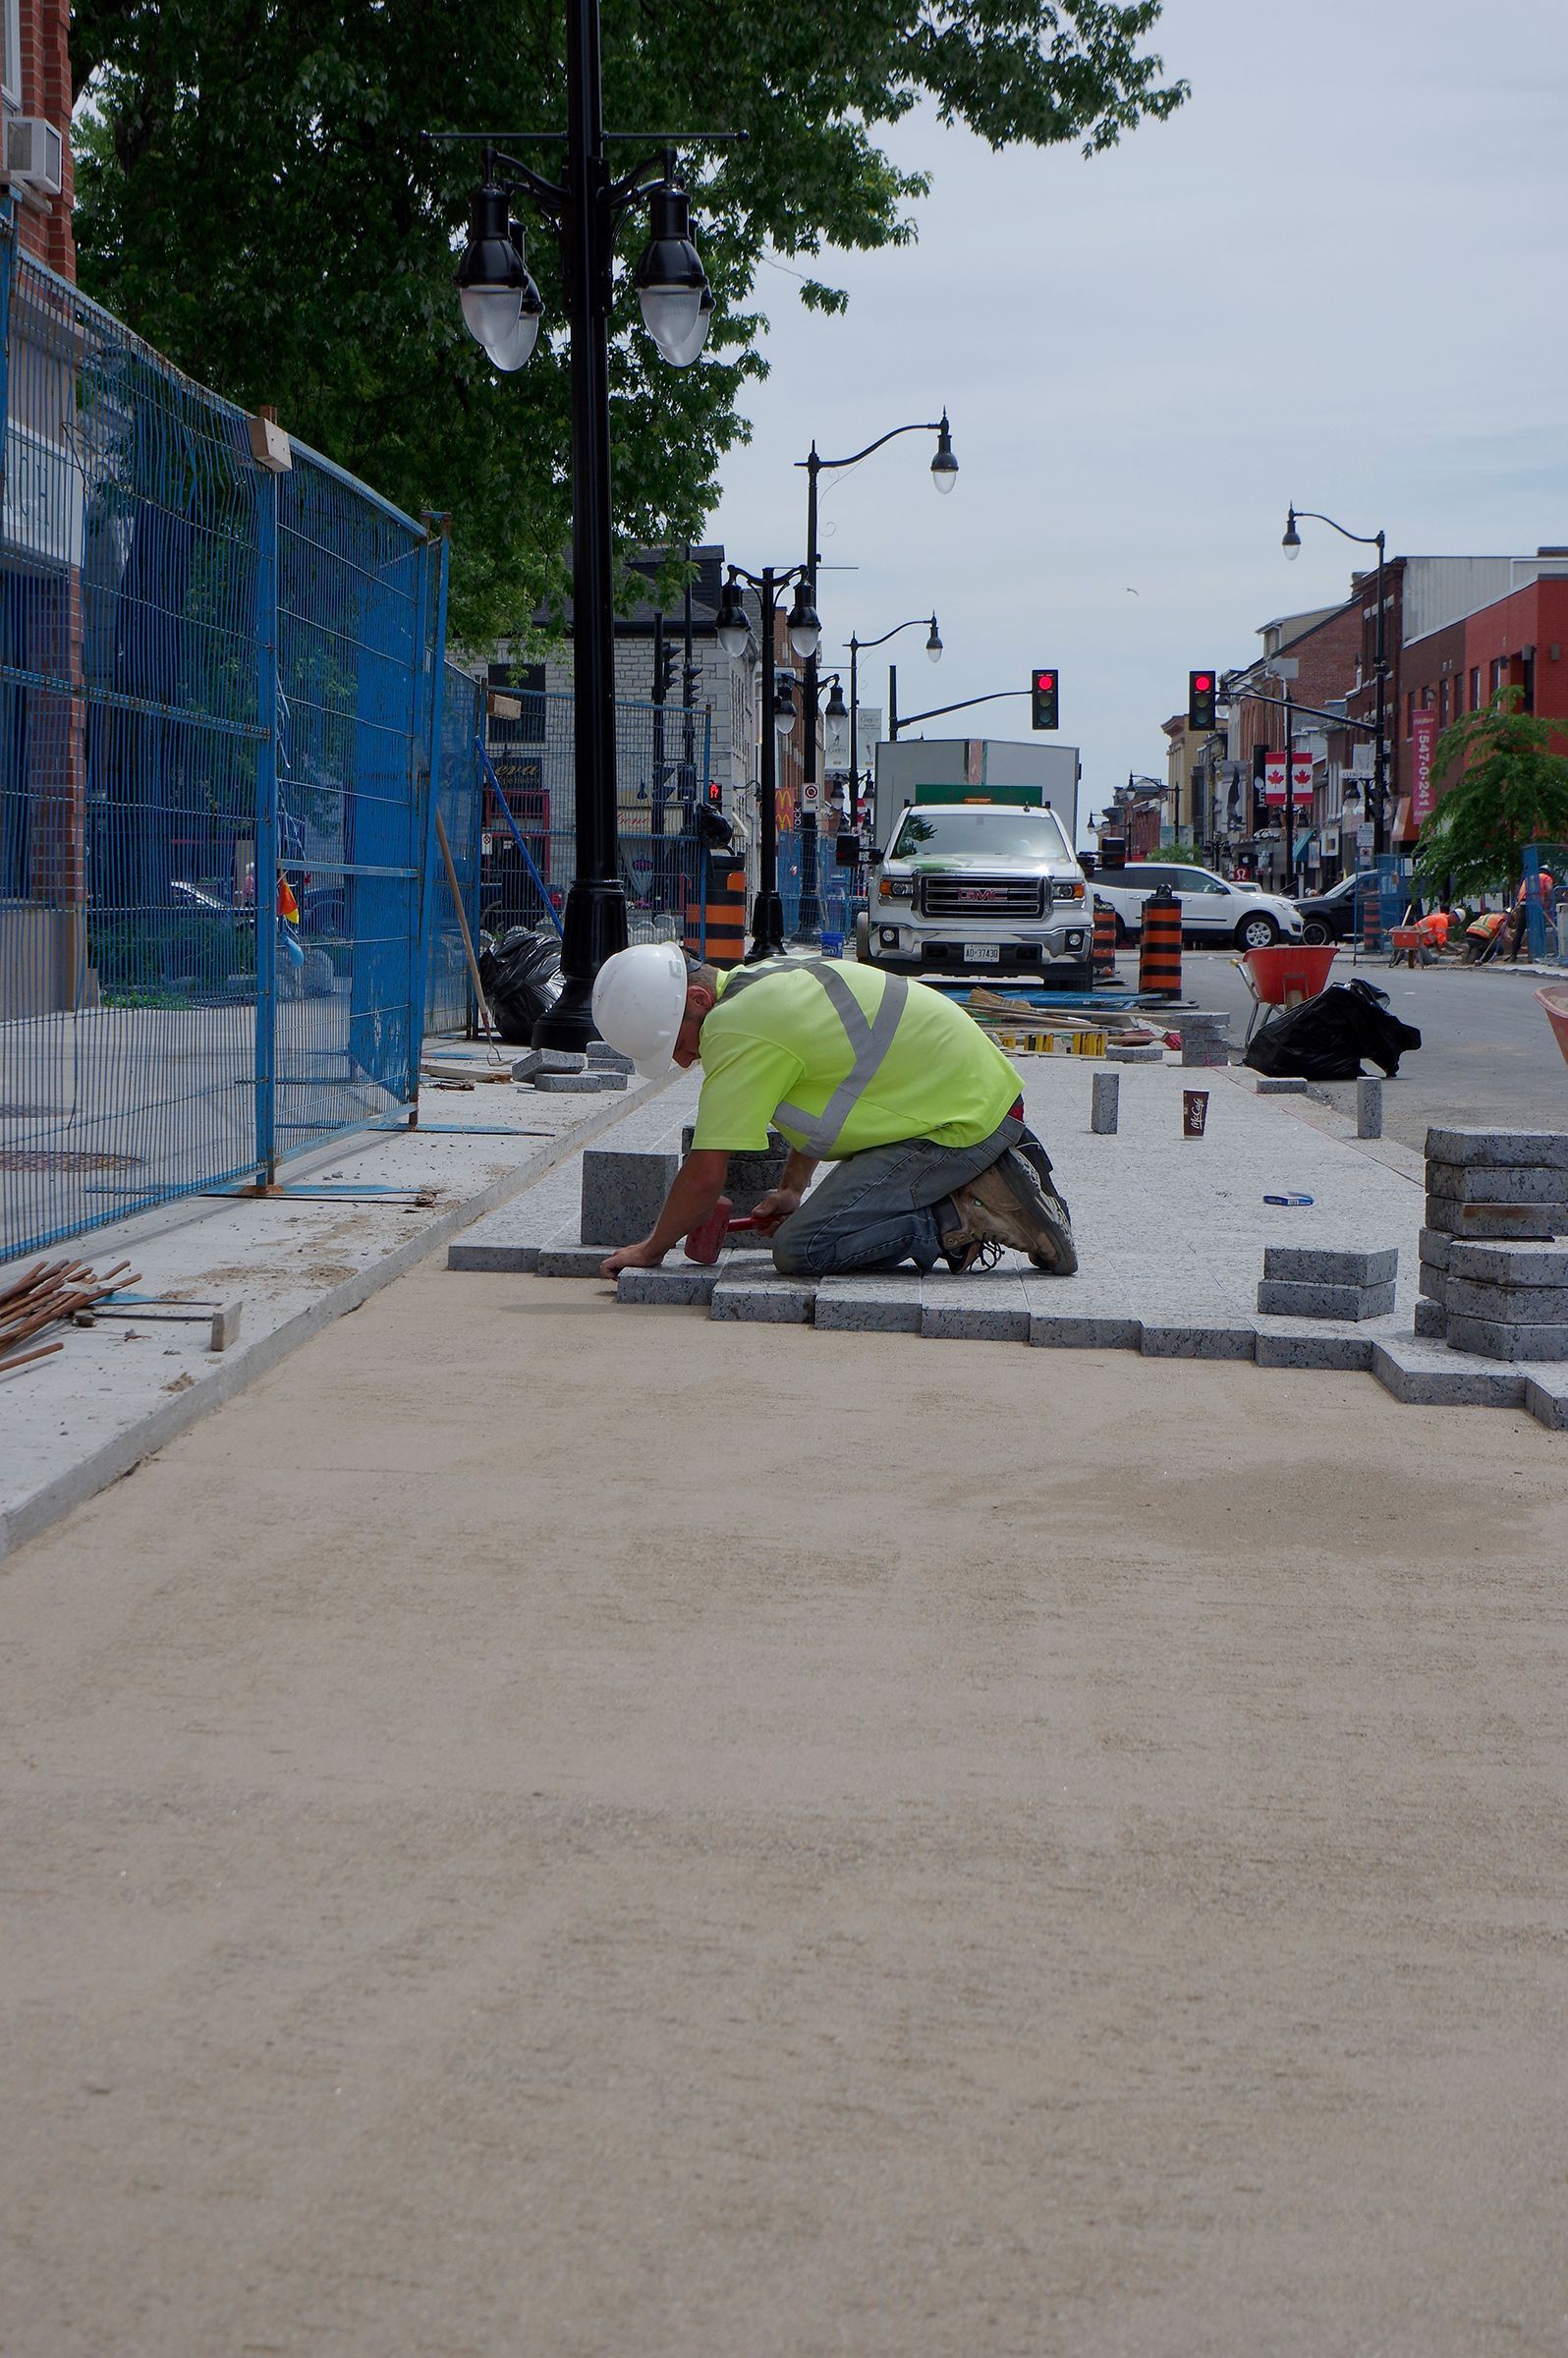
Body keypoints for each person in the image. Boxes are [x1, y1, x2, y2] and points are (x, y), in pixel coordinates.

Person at [591, 943, 1077, 1281]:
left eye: (676, 1043)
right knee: (811, 1231)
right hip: (972, 1100)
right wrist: (792, 1188)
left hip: (961, 1124)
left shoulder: (735, 1028)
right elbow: (826, 1088)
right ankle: (980, 1179)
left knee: (803, 1248)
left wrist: (651, 1249)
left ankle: (969, 1211)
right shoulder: (757, 981)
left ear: (698, 1001)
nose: (681, 1060)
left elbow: (705, 1174)